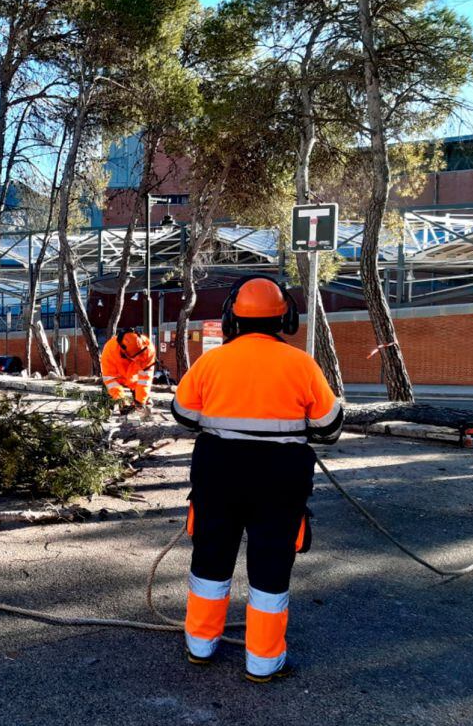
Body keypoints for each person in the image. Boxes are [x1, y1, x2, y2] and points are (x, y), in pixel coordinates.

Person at [170, 276, 343, 683]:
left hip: (218, 472)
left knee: (211, 556)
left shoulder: (211, 361)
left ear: (232, 318)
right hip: (280, 478)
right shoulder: (301, 364)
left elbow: (183, 414)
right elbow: (330, 427)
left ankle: (200, 644)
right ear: (285, 318)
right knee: (270, 564)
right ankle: (263, 662)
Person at [100, 329, 156, 412]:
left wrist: (140, 400)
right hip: (116, 379)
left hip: (134, 379)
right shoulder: (109, 351)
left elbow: (145, 378)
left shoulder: (148, 350)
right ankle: (106, 409)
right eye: (134, 357)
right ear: (123, 350)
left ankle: (143, 401)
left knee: (141, 400)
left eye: (139, 355)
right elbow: (110, 379)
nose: (137, 358)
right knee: (109, 402)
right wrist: (121, 401)